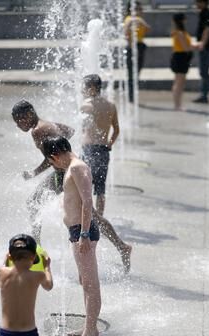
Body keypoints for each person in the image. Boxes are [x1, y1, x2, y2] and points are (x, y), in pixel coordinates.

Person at [12, 100, 132, 272]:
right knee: (91, 215)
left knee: (33, 204)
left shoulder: (38, 131)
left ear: (29, 114)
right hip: (66, 171)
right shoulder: (46, 124)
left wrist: (34, 173)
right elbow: (70, 131)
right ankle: (122, 247)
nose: (18, 125)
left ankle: (37, 253)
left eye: (19, 120)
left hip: (62, 175)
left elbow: (50, 157)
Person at [43, 136, 101, 336]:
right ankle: (90, 327)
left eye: (51, 162)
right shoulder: (74, 168)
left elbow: (87, 201)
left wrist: (84, 234)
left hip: (82, 232)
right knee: (84, 281)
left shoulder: (77, 168)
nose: (54, 165)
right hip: (76, 230)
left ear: (55, 156)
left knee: (90, 284)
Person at [80, 74, 119, 215]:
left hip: (88, 150)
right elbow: (116, 130)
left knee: (85, 187)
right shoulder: (111, 106)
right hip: (103, 150)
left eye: (83, 87)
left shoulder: (86, 106)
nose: (81, 91)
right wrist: (109, 143)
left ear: (92, 88)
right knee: (100, 189)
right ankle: (100, 220)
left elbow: (84, 129)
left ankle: (87, 218)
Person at [123, 1, 150, 104]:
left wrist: (142, 23)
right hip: (132, 47)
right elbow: (125, 34)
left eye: (139, 9)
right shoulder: (129, 19)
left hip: (140, 46)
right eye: (136, 9)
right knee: (131, 73)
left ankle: (132, 95)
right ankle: (130, 97)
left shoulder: (140, 20)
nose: (138, 11)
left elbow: (147, 30)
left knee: (137, 72)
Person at [169, 13, 194, 111]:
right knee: (179, 82)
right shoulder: (179, 32)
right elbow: (186, 47)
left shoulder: (180, 31)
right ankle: (177, 105)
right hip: (180, 57)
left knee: (180, 82)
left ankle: (178, 104)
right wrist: (196, 46)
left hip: (181, 57)